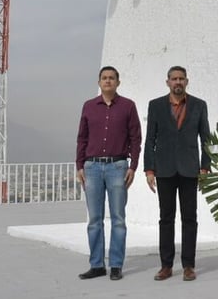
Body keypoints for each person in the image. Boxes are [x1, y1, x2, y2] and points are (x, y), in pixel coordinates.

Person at [143, 66, 212, 282]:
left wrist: (205, 167)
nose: (178, 82)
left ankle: (189, 266)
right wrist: (149, 169)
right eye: (174, 79)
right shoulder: (155, 106)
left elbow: (206, 138)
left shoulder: (199, 105)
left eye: (181, 78)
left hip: (190, 169)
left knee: (190, 218)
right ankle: (166, 265)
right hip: (164, 170)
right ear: (168, 82)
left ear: (187, 81)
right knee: (166, 218)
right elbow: (150, 140)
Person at [75, 65, 142, 281]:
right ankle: (96, 265)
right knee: (94, 219)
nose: (108, 81)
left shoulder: (128, 106)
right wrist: (79, 166)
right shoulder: (88, 106)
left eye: (112, 78)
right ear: (99, 82)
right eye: (104, 78)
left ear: (118, 82)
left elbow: (136, 139)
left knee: (118, 219)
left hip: (118, 167)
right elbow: (82, 138)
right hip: (92, 167)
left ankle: (115, 265)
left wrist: (133, 166)